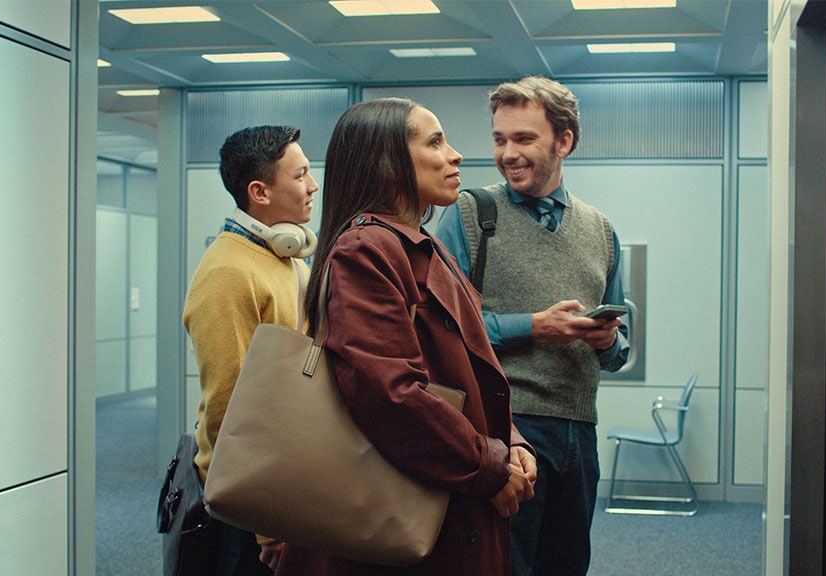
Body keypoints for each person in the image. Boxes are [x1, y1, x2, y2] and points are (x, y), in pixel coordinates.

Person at [280, 97, 537, 576]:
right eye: (435, 142)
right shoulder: (365, 249)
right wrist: (489, 464)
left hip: (448, 490)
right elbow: (391, 393)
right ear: (388, 163)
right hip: (408, 508)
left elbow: (472, 371)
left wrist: (511, 442)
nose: (455, 155)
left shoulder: (422, 244)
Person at [435, 76, 632, 576]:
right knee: (502, 565)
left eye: (523, 139)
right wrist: (534, 326)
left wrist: (608, 339)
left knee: (567, 565)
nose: (508, 154)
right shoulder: (469, 215)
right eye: (500, 139)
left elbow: (620, 351)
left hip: (578, 434)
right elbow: (443, 327)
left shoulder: (601, 231)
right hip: (504, 427)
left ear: (564, 141)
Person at [184, 125, 321, 575]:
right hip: (248, 505)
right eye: (300, 175)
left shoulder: (286, 257)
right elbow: (229, 409)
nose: (313, 185)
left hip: (282, 478)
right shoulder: (228, 273)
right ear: (259, 192)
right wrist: (266, 526)